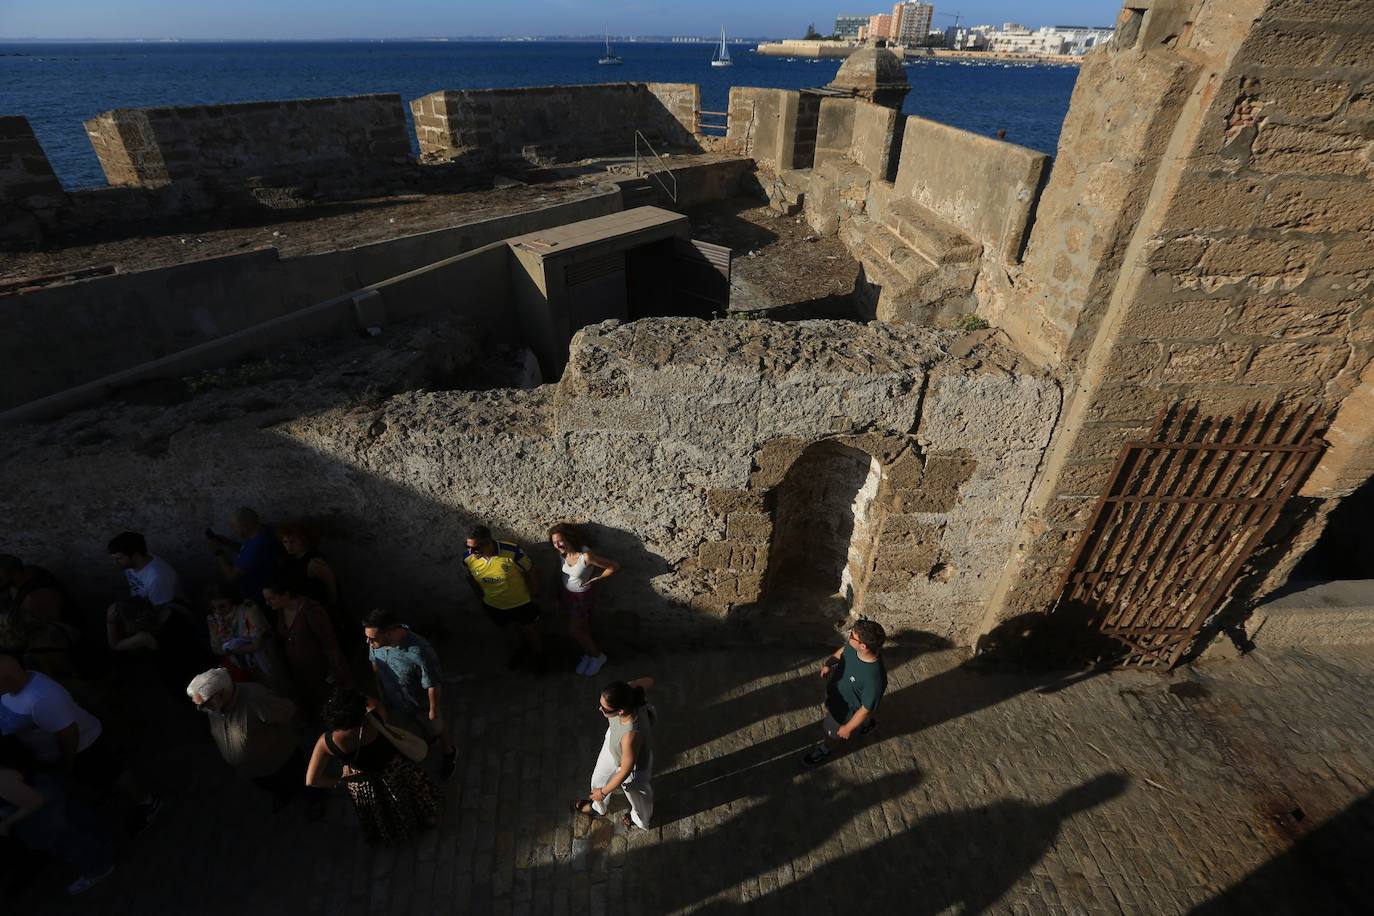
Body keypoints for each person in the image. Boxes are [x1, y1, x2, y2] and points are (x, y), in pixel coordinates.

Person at [0, 654, 159, 831]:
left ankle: (147, 802)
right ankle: (111, 788)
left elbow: (69, 734)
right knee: (101, 777)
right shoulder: (16, 685)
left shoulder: (42, 698)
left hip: (83, 747)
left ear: (7, 679)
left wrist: (69, 761)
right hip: (65, 750)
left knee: (114, 775)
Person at [305, 688, 441, 845]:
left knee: (381, 810)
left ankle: (396, 833)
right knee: (410, 796)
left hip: (362, 782)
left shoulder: (326, 742)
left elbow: (311, 780)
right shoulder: (375, 719)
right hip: (394, 769)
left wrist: (340, 782)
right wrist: (357, 697)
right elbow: (373, 702)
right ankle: (428, 819)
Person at [186, 668, 322, 816]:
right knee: (275, 786)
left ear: (221, 693)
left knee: (301, 781)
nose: (199, 709)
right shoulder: (213, 707)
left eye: (202, 704)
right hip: (254, 770)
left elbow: (287, 712)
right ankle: (285, 795)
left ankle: (316, 801)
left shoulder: (256, 698)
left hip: (281, 761)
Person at [0, 735, 114, 896]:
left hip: (41, 809)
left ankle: (98, 868)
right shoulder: (7, 750)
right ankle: (104, 841)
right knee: (76, 816)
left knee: (64, 840)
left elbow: (34, 802)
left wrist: (6, 823)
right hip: (45, 784)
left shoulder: (2, 779)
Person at [362, 609, 456, 780]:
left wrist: (433, 710)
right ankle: (427, 739)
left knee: (436, 727)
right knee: (414, 726)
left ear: (389, 633)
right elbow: (375, 664)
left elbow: (433, 683)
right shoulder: (376, 644)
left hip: (421, 703)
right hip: (396, 700)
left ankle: (448, 751)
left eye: (372, 638)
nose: (368, 641)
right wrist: (380, 690)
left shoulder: (419, 651)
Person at [802, 619, 887, 768]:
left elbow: (866, 709)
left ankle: (825, 749)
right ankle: (866, 724)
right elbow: (842, 652)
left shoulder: (875, 680)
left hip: (844, 711)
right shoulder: (853, 648)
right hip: (837, 695)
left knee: (831, 733)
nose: (848, 636)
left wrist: (847, 728)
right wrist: (829, 664)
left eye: (851, 636)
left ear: (863, 646)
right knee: (860, 717)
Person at [572, 677, 655, 830]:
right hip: (615, 742)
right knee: (598, 778)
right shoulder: (628, 691)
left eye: (604, 709)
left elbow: (625, 771)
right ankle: (598, 806)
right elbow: (649, 680)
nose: (600, 709)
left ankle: (641, 819)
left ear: (620, 711)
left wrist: (603, 792)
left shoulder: (630, 736)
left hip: (634, 768)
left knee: (638, 798)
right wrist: (633, 685)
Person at [263, 575, 351, 714]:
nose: (268, 603)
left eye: (271, 598)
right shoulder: (280, 612)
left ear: (285, 594)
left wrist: (334, 670)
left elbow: (330, 643)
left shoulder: (311, 611)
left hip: (323, 671)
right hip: (305, 675)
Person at [463, 525, 542, 669]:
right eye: (468, 546)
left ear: (488, 542)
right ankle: (517, 655)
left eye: (475, 548)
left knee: (530, 631)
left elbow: (530, 571)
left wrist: (535, 593)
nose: (471, 551)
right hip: (494, 604)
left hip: (521, 602)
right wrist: (480, 596)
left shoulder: (511, 552)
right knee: (507, 632)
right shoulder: (467, 558)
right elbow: (470, 577)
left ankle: (539, 658)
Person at [548, 523, 618, 677]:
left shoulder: (585, 556)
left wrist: (596, 578)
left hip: (581, 598)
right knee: (583, 628)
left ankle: (598, 657)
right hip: (568, 595)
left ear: (569, 538)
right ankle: (589, 654)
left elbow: (613, 566)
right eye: (554, 542)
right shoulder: (562, 553)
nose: (557, 545)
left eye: (560, 540)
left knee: (575, 631)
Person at [105, 597, 212, 695]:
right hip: (202, 659)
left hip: (182, 678)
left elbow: (115, 645)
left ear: (135, 621)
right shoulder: (173, 608)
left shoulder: (145, 637)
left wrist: (110, 621)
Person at [204, 584, 286, 692]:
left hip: (266, 661)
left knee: (279, 689)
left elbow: (257, 644)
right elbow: (216, 648)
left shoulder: (248, 610)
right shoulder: (213, 618)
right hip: (241, 667)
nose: (218, 611)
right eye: (213, 608)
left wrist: (229, 649)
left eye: (222, 606)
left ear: (232, 600)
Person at [209, 508, 281, 609]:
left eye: (234, 526)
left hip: (259, 599)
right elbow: (248, 554)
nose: (233, 530)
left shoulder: (257, 545)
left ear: (246, 525)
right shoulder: (260, 534)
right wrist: (230, 543)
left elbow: (231, 575)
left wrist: (218, 552)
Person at [107, 532, 182, 606]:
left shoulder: (157, 578)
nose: (115, 562)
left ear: (136, 556)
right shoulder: (131, 563)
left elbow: (162, 610)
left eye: (119, 558)